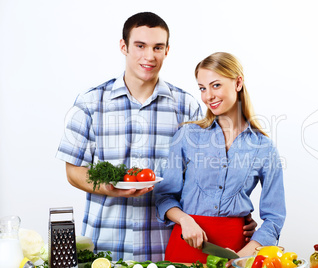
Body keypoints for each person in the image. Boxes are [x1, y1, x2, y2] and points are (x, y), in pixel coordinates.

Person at [56, 12, 256, 262]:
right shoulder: (90, 103)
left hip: (169, 247)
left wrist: (235, 214)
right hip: (105, 246)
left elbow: (210, 175)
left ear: (167, 50)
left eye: (157, 47)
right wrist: (113, 188)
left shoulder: (187, 107)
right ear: (124, 46)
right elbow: (73, 171)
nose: (149, 56)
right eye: (140, 46)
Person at [155, 52, 286, 263]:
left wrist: (243, 256)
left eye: (216, 85)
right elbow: (164, 196)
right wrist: (184, 220)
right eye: (202, 88)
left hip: (235, 250)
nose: (208, 96)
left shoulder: (263, 147)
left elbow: (275, 216)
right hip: (185, 243)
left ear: (238, 83)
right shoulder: (187, 136)